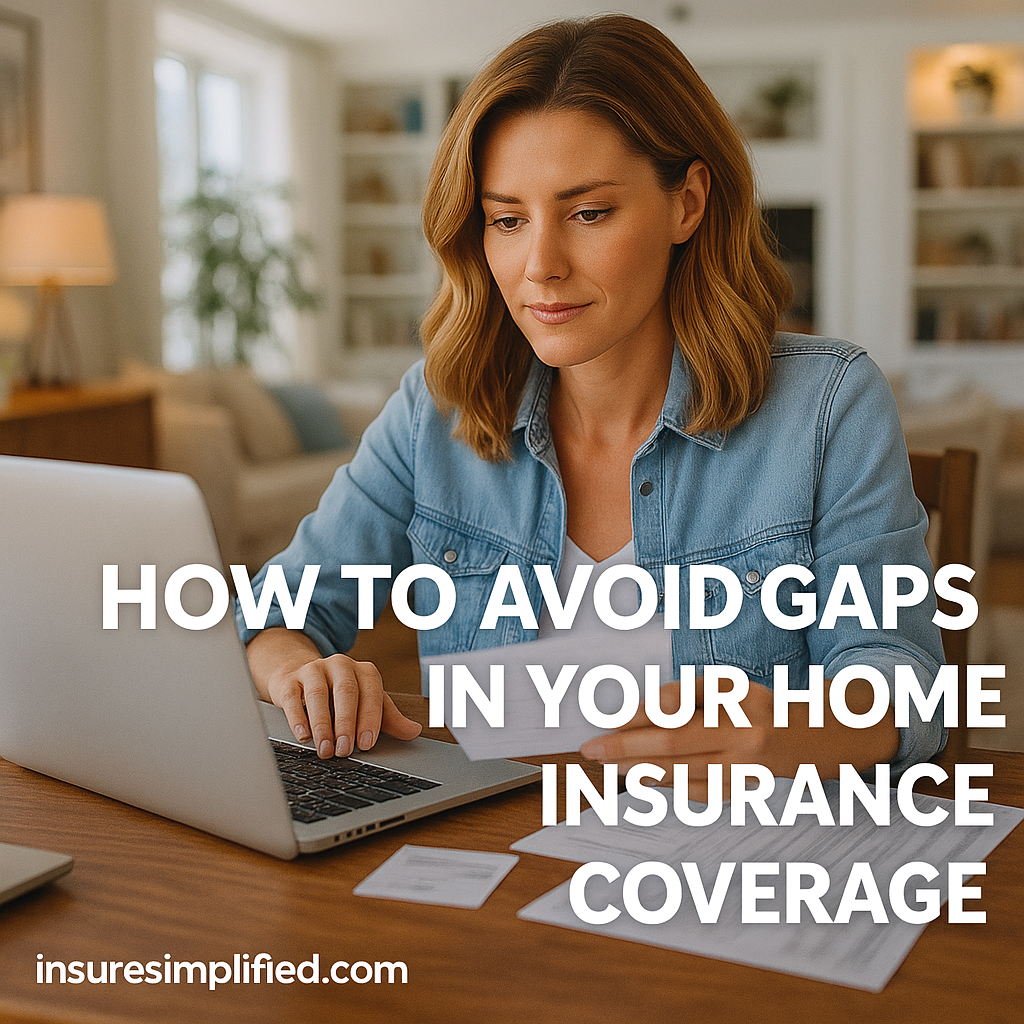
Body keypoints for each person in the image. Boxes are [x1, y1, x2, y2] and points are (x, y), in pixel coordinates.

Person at [239, 15, 945, 798]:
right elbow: (274, 617)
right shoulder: (433, 412)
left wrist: (805, 725)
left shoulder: (828, 405)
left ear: (687, 203)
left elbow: (901, 680)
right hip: (496, 845)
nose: (540, 265)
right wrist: (300, 672)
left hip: (734, 849)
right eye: (508, 220)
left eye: (588, 213)